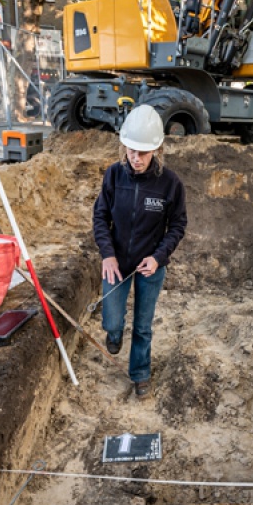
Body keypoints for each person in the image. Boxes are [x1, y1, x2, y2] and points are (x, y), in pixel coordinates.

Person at [93, 104, 187, 399]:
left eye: (143, 152)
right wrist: (107, 254)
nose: (135, 158)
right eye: (131, 150)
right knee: (112, 320)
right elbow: (100, 217)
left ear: (157, 149)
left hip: (150, 267)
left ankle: (140, 374)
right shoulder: (114, 175)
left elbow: (178, 225)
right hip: (117, 262)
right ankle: (114, 331)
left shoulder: (170, 184)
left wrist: (158, 257)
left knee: (143, 326)